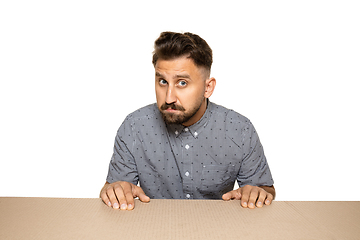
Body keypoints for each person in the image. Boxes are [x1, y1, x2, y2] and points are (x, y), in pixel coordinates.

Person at [100, 31, 275, 210]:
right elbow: (113, 188)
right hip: (154, 229)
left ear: (208, 87)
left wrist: (256, 193)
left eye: (182, 83)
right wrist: (114, 190)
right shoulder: (134, 127)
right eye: (162, 81)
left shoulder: (239, 130)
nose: (169, 98)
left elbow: (265, 190)